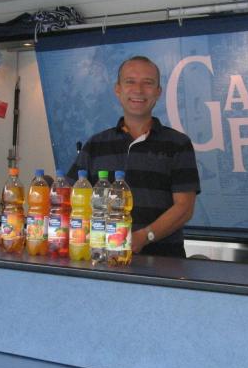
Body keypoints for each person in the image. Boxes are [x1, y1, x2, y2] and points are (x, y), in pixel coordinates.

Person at [68, 56, 200, 257]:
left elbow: (184, 208)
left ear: (158, 92)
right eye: (130, 81)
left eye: (148, 83)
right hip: (103, 260)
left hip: (164, 262)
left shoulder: (178, 144)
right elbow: (71, 199)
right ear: (118, 89)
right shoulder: (95, 145)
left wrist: (144, 236)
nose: (138, 90)